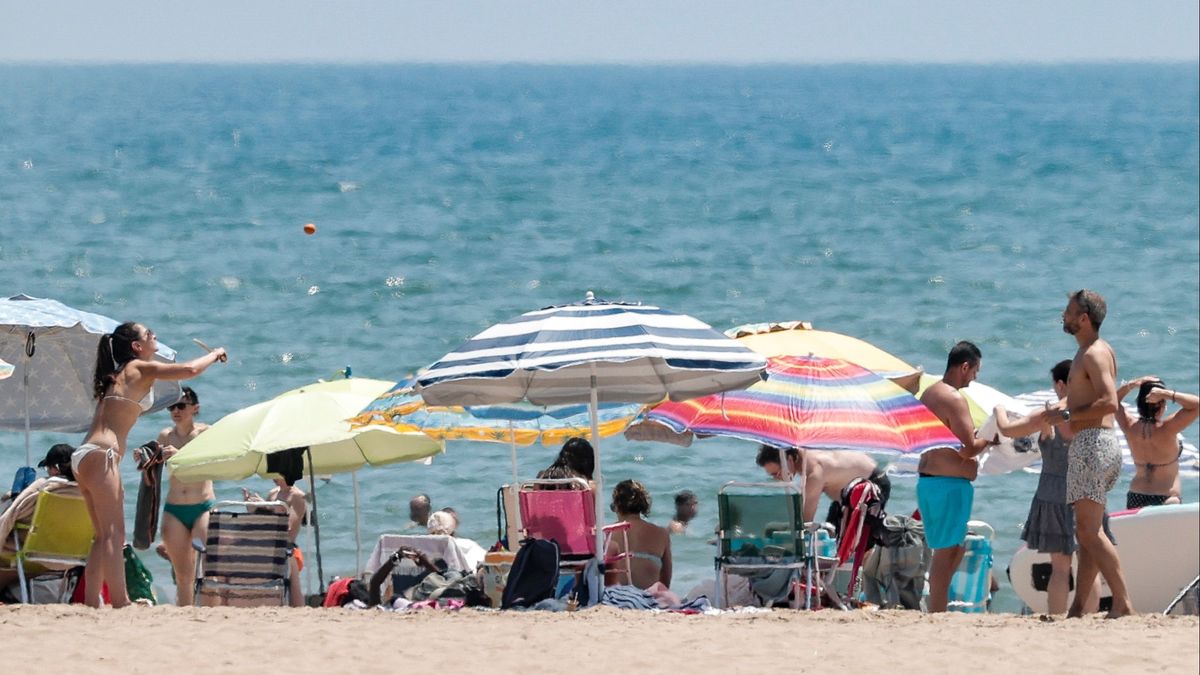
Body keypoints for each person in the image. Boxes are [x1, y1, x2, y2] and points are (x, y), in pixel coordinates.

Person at [75, 322, 225, 608]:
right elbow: (190, 370)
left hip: (84, 455)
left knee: (101, 535)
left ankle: (92, 601)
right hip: (102, 454)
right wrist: (215, 353)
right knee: (113, 535)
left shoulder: (116, 375)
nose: (154, 336)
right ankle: (120, 601)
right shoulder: (138, 368)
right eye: (149, 334)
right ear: (136, 346)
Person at [1045, 290, 1133, 618]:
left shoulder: (1093, 353)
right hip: (1102, 444)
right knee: (1088, 534)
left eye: (1068, 311)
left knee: (1087, 532)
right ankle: (1078, 608)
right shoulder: (1096, 350)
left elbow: (1110, 401)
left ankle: (1122, 602)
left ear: (1084, 318)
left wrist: (1067, 415)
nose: (1063, 316)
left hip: (1092, 444)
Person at [994, 359, 1106, 615]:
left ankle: (1056, 619)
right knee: (1089, 564)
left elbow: (1008, 430)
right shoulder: (1093, 412)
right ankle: (1088, 619)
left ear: (1059, 384)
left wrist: (999, 409)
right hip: (1088, 489)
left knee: (1060, 567)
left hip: (1053, 493)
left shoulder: (1049, 415)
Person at [917, 340, 993, 613]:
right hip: (947, 485)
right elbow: (969, 449)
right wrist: (989, 439)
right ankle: (937, 614)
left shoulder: (930, 393)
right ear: (964, 367)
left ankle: (939, 608)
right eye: (975, 371)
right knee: (945, 555)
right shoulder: (953, 397)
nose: (975, 378)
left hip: (931, 483)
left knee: (952, 550)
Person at [156, 386, 215, 606]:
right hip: (175, 508)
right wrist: (144, 456)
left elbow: (212, 463)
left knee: (206, 570)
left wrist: (181, 456)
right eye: (172, 406)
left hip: (203, 506)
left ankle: (211, 612)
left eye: (182, 405)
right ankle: (185, 615)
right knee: (183, 574)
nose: (176, 410)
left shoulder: (205, 433)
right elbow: (152, 467)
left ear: (195, 408)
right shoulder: (165, 435)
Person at [1116, 376, 1198, 508]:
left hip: (1136, 495)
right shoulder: (1167, 428)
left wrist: (1131, 385)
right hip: (1167, 497)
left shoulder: (1129, 426)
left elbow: (1113, 402)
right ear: (1162, 404)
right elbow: (1196, 405)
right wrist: (1168, 394)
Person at [755, 446, 891, 524]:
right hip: (846, 495)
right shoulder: (804, 449)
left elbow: (806, 521)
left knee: (858, 540)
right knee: (834, 534)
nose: (778, 479)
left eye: (777, 473)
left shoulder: (815, 473)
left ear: (789, 460)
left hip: (872, 485)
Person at [244, 474, 307, 607]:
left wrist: (268, 507)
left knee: (291, 566)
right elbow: (263, 525)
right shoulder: (273, 494)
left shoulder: (298, 496)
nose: (272, 476)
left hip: (287, 549)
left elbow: (288, 529)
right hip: (268, 548)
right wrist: (254, 509)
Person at [605, 479, 672, 590]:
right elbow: (665, 582)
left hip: (616, 597)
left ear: (616, 506)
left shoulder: (607, 533)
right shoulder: (662, 534)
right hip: (649, 598)